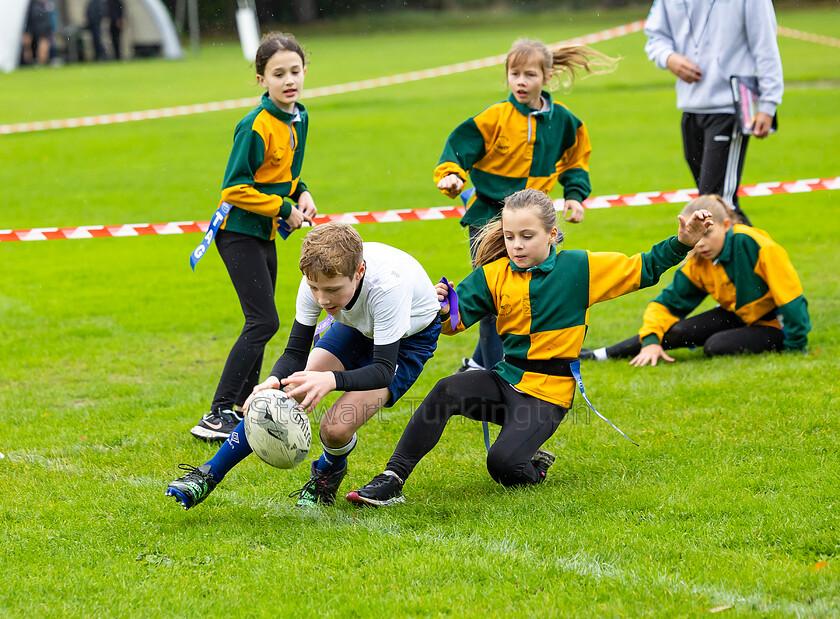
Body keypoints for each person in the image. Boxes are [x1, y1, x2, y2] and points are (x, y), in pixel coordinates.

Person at [345, 188, 713, 507]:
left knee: (502, 465)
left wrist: (683, 241)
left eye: (527, 236)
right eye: (509, 237)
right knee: (446, 390)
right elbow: (452, 324)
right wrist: (437, 304)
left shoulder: (579, 268)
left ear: (552, 234)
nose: (516, 245)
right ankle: (392, 478)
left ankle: (534, 462)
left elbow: (644, 268)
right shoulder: (495, 274)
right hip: (506, 380)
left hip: (548, 396)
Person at [167, 223, 442, 509]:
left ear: (359, 272)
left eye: (332, 290)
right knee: (288, 392)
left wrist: (331, 380)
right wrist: (274, 380)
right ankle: (208, 474)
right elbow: (295, 353)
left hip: (409, 340)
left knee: (335, 428)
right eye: (315, 289)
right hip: (356, 325)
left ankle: (327, 472)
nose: (322, 300)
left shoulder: (387, 288)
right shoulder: (317, 277)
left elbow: (383, 369)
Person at [433, 39, 616, 375]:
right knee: (493, 297)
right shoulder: (495, 117)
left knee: (536, 292)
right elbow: (457, 148)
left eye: (529, 74)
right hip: (490, 219)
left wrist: (575, 195)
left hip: (536, 221)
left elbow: (576, 160)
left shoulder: (565, 121)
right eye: (514, 73)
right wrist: (451, 176)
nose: (520, 81)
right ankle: (494, 375)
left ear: (546, 78)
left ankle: (483, 363)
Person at [188, 33, 316, 442]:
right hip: (238, 233)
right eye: (278, 74)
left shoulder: (300, 117)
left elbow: (284, 176)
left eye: (294, 71)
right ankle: (217, 412)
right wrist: (283, 209)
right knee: (264, 321)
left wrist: (301, 193)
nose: (288, 80)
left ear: (304, 72)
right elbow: (235, 188)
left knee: (260, 322)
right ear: (262, 79)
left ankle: (245, 407)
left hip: (263, 233)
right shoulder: (254, 125)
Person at [581, 195, 810, 366]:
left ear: (727, 225)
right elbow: (666, 305)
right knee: (674, 331)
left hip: (774, 324)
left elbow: (790, 297)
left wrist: (796, 345)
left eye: (707, 234)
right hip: (738, 315)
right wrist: (651, 340)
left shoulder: (754, 243)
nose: (700, 244)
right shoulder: (698, 261)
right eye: (697, 237)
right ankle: (600, 354)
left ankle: (781, 342)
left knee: (715, 346)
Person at [644, 0, 783, 226]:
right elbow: (655, 36)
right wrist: (668, 58)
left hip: (730, 108)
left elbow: (766, 46)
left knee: (718, 205)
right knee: (715, 204)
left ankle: (759, 259)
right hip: (690, 107)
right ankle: (756, 258)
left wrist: (768, 104)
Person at [22, 0, 55, 66]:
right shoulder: (39, 6)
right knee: (43, 43)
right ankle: (41, 63)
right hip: (40, 25)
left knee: (28, 46)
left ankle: (30, 63)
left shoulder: (30, 6)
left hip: (31, 24)